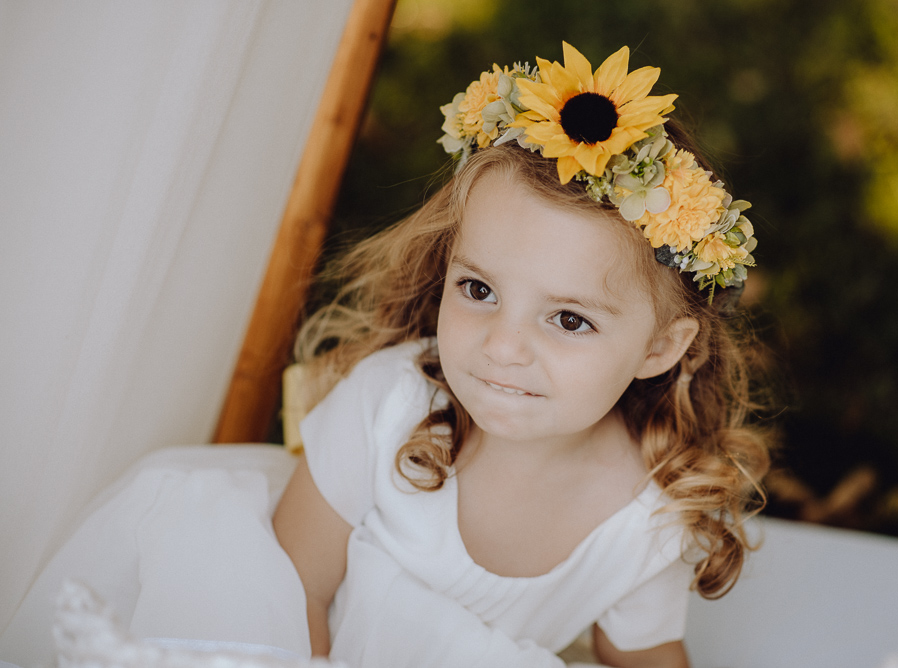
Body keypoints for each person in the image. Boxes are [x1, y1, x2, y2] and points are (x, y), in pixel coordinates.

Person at [273, 41, 770, 668]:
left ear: (660, 347)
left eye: (568, 319)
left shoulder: (650, 513)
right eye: (478, 290)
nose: (502, 346)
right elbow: (288, 594)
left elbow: (644, 655)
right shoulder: (386, 408)